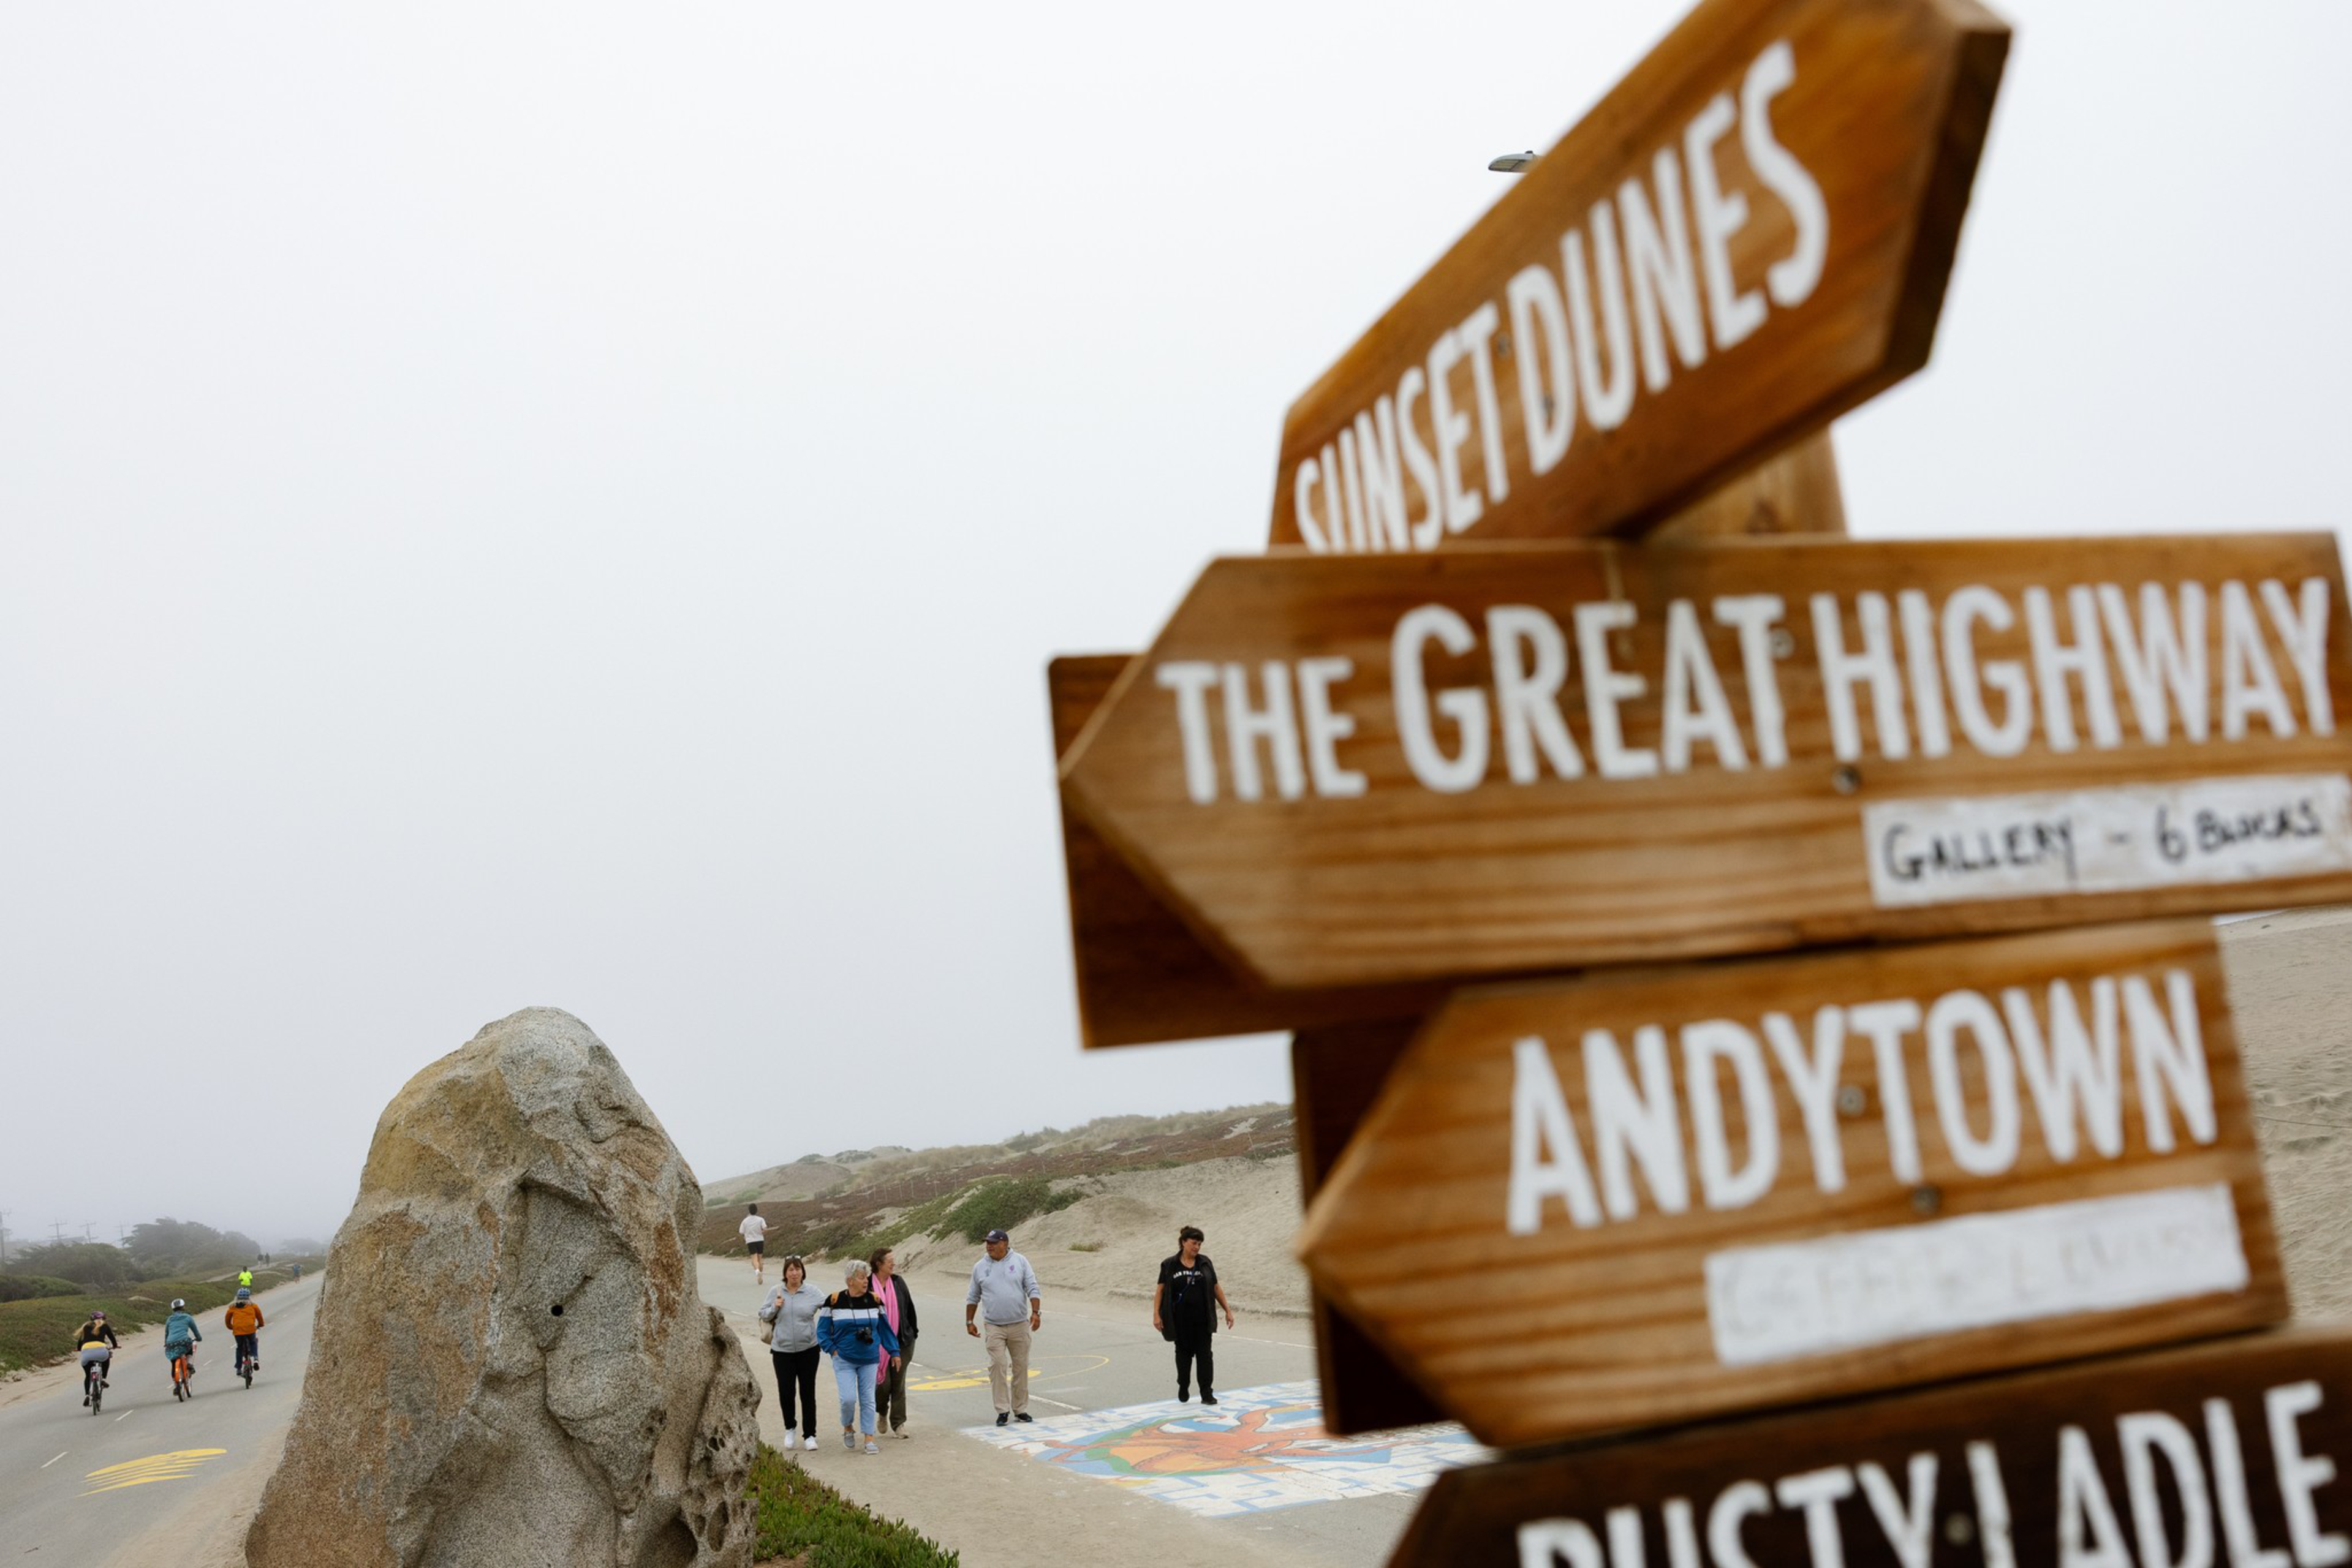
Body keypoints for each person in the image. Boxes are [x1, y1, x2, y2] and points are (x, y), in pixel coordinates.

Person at [816, 1259, 898, 1455]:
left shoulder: (875, 1300)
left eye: (866, 1278)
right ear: (849, 1281)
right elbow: (822, 1332)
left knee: (868, 1399)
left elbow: (885, 1330)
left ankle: (869, 1438)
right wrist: (833, 1350)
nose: (866, 1282)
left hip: (870, 1359)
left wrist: (894, 1351)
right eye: (861, 1278)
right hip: (844, 1359)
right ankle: (847, 1426)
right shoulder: (834, 1301)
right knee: (848, 1399)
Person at [963, 1227, 1041, 1427]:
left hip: (1019, 1324)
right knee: (998, 1365)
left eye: (993, 1242)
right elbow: (973, 1296)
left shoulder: (1020, 1261)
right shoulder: (980, 1267)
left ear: (1004, 1243)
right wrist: (969, 1322)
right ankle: (1002, 1410)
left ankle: (1020, 1409)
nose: (989, 1246)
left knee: (1021, 1366)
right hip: (994, 1325)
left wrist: (1035, 1312)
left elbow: (1032, 1287)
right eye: (987, 1243)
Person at [1153, 1225, 1235, 1406]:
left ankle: (1207, 1394)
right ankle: (1184, 1385)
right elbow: (1160, 1290)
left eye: (1199, 1244)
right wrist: (1156, 1315)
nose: (1197, 1247)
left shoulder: (1205, 1263)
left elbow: (1215, 1287)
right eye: (1194, 1243)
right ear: (1184, 1242)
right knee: (1183, 1358)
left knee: (1205, 1357)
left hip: (1203, 1321)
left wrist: (1228, 1310)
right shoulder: (1170, 1265)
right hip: (1180, 1322)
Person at [756, 1256, 824, 1453]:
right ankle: (790, 1428)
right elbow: (763, 1314)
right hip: (782, 1351)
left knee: (807, 1392)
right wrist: (775, 1307)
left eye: (798, 1269)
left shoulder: (812, 1291)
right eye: (790, 1270)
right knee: (786, 1392)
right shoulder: (776, 1291)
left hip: (809, 1350)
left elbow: (829, 1306)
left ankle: (810, 1435)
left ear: (803, 1271)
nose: (794, 1273)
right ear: (785, 1274)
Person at [868, 1245, 920, 1438]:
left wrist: (912, 1333)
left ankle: (899, 1424)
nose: (894, 1264)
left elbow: (909, 1308)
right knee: (882, 1386)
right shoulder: (868, 1285)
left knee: (898, 1384)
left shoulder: (898, 1282)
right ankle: (882, 1411)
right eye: (890, 1261)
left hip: (902, 1341)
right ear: (879, 1264)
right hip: (877, 1344)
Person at [74, 1310, 119, 1405]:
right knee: (107, 1358)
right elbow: (112, 1338)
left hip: (86, 1350)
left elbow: (80, 1341)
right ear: (104, 1318)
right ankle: (103, 1379)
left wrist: (78, 1349)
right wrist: (115, 1346)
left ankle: (87, 1395)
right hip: (101, 1349)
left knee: (88, 1376)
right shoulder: (105, 1326)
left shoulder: (86, 1326)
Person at [163, 1298, 203, 1393]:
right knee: (190, 1349)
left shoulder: (169, 1319)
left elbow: (166, 1333)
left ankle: (177, 1384)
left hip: (171, 1344)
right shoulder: (188, 1317)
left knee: (173, 1362)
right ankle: (189, 1364)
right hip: (184, 1342)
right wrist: (199, 1338)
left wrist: (166, 1343)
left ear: (173, 1309)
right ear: (183, 1307)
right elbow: (195, 1331)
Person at [225, 1287, 265, 1376]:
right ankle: (255, 1358)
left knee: (239, 1348)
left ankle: (239, 1369)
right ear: (249, 1297)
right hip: (250, 1329)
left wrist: (231, 1327)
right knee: (253, 1342)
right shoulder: (253, 1306)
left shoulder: (232, 1307)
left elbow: (227, 1320)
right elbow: (260, 1317)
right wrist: (260, 1325)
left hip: (238, 1331)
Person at [739, 1204, 769, 1284]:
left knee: (754, 1260)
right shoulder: (760, 1219)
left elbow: (741, 1232)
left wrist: (747, 1235)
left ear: (749, 1211)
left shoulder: (745, 1221)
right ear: (757, 1210)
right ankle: (761, 1274)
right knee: (760, 1259)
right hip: (760, 1240)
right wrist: (761, 1232)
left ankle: (757, 1272)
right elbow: (765, 1229)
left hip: (750, 1241)